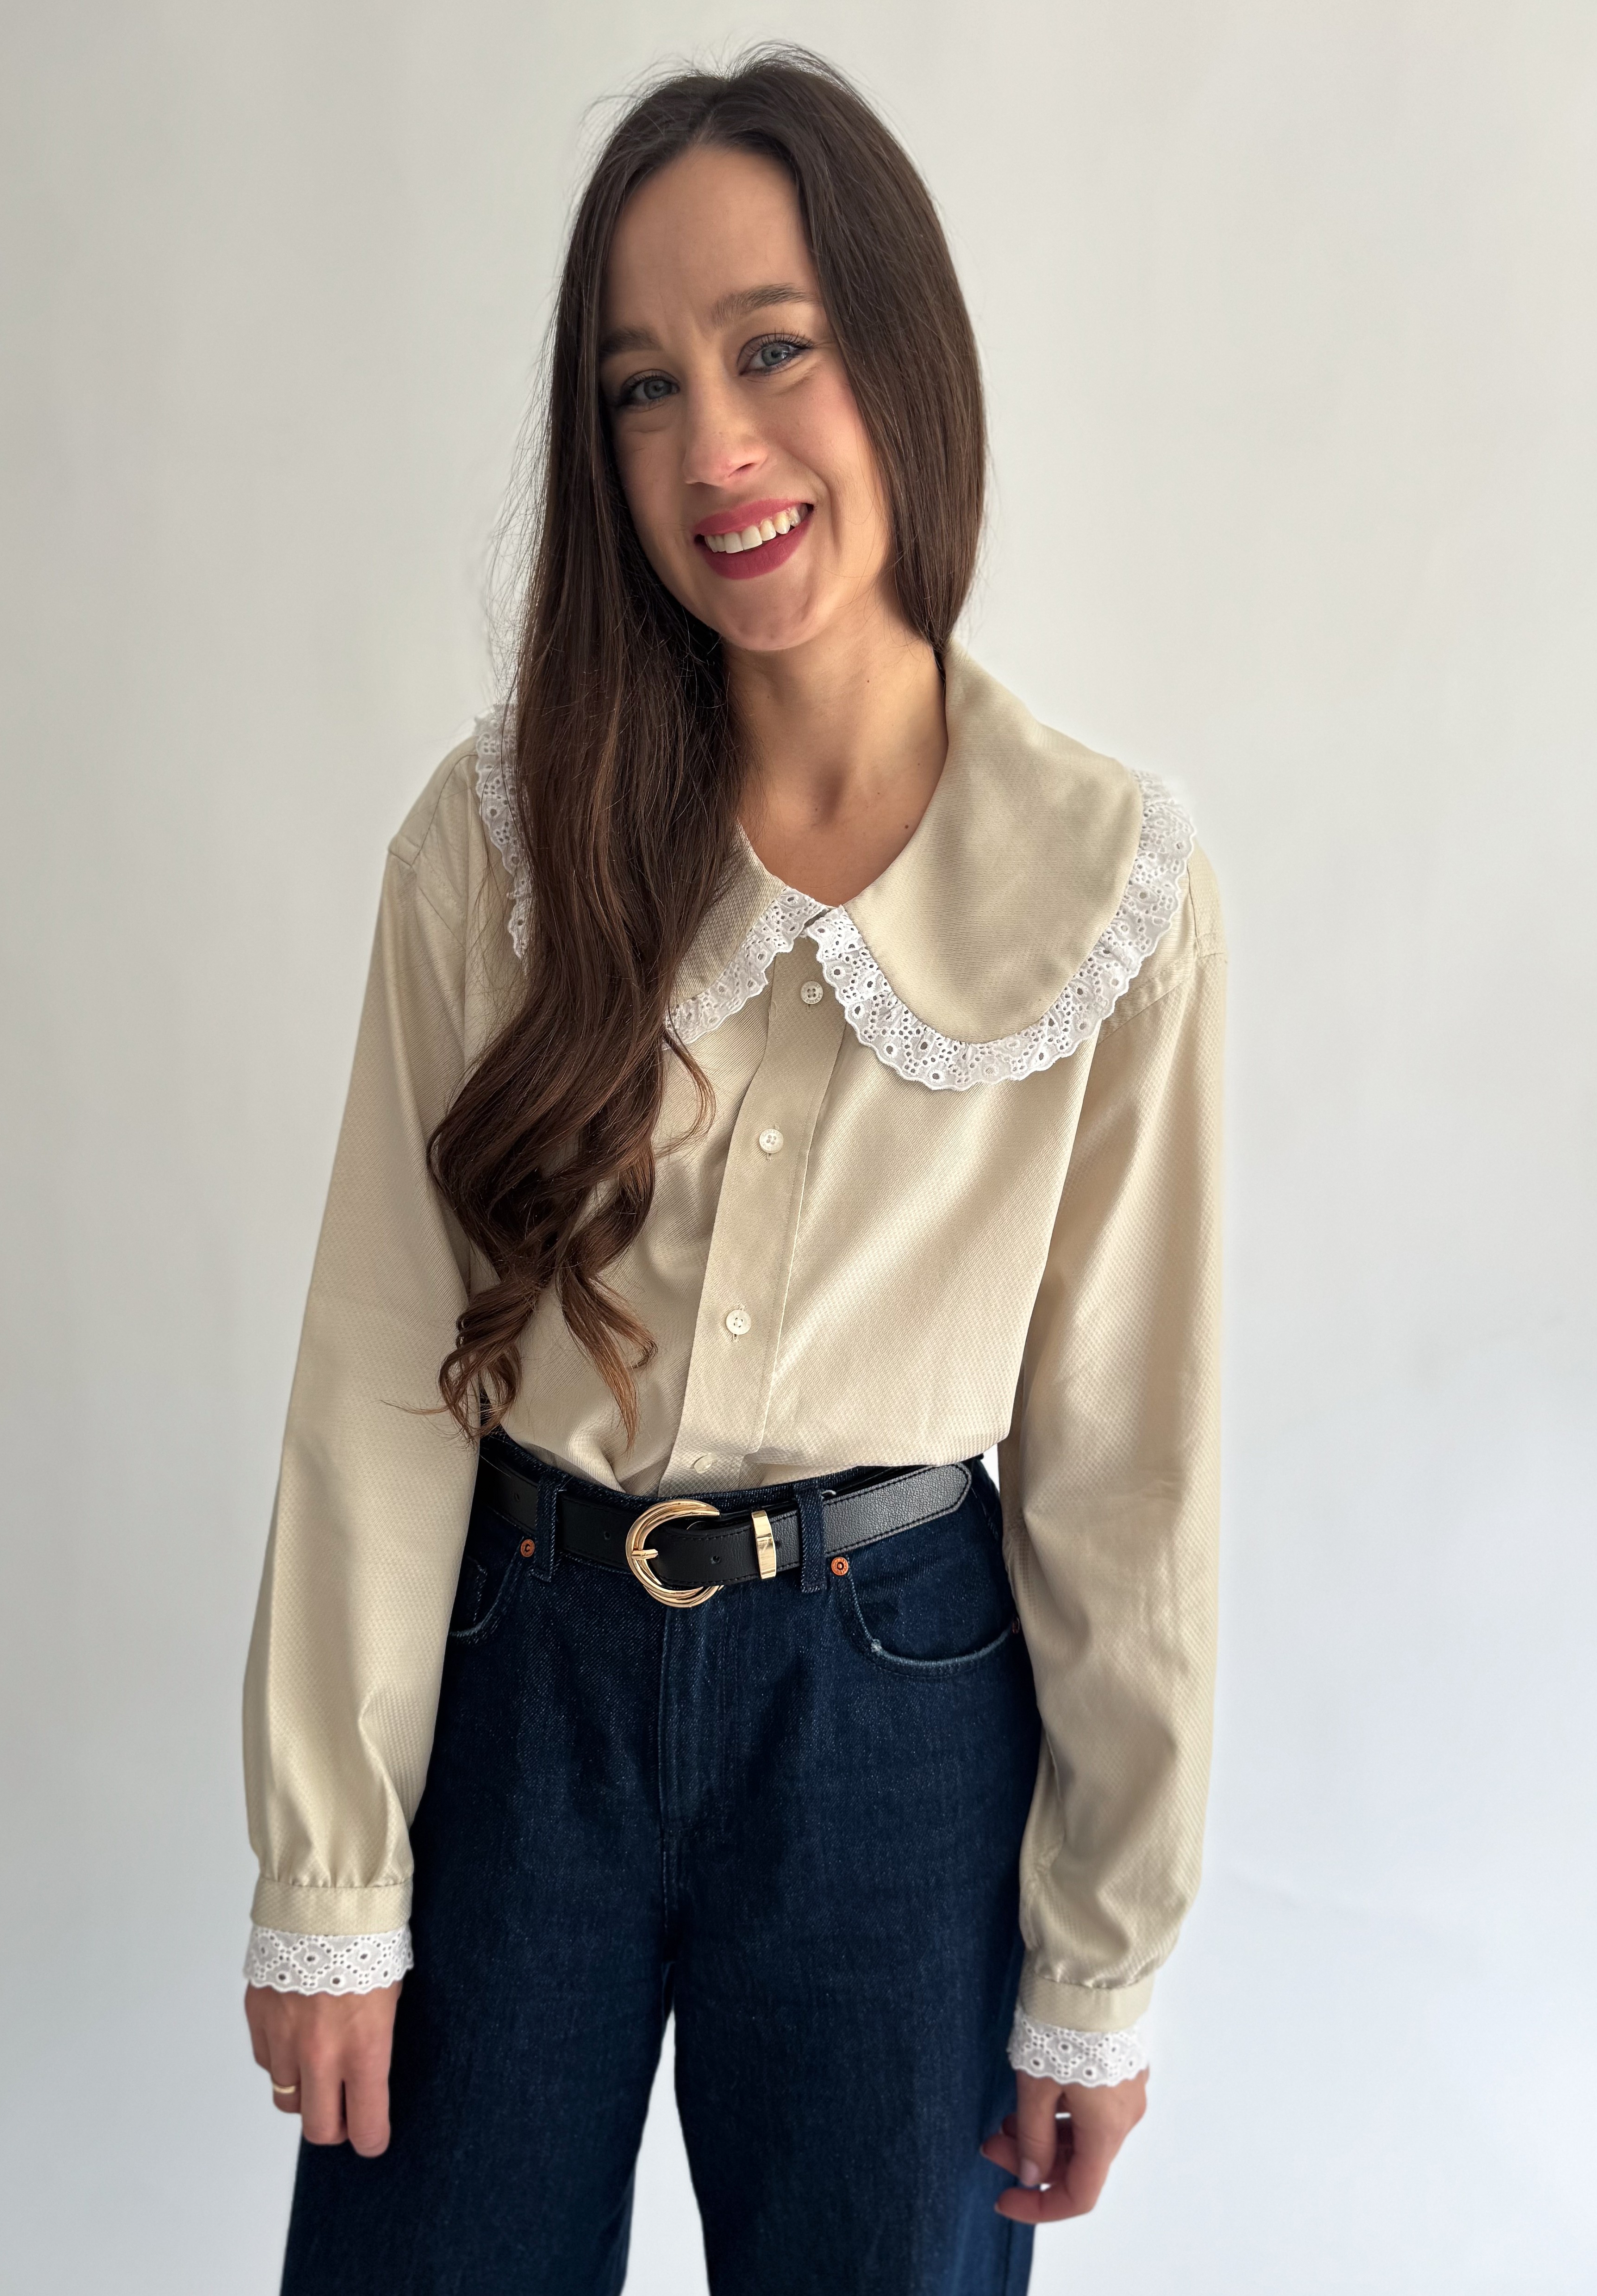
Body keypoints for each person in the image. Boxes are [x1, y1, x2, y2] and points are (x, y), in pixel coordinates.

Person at [240, 45, 1224, 2296]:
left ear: (903, 354)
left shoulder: (1108, 886)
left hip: (905, 1713)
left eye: (773, 349)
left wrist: (1100, 1952)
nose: (714, 449)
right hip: (525, 1682)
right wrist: (331, 1873)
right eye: (642, 388)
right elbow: (380, 1368)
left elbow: (1122, 1466)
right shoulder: (496, 841)